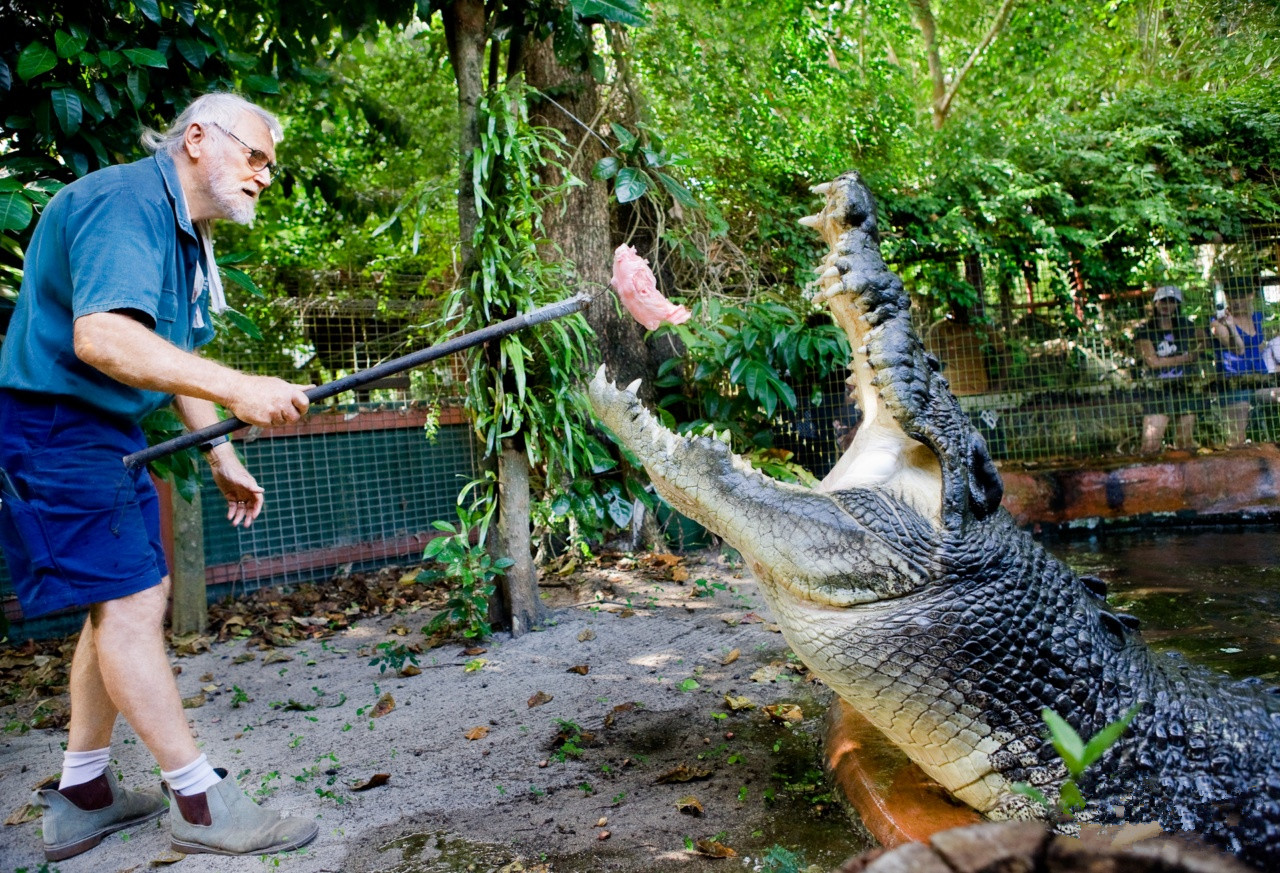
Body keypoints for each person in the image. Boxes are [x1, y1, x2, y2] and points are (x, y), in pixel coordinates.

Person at [0, 93, 318, 860]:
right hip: (52, 427)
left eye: (270, 165)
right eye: (256, 156)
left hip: (102, 429)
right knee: (133, 600)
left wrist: (219, 448)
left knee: (125, 599)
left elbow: (161, 351)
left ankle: (84, 794)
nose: (264, 175)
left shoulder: (184, 233)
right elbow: (104, 336)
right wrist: (240, 386)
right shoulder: (126, 201)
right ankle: (200, 800)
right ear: (198, 138)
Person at [1135, 284, 1206, 454]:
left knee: (1185, 442)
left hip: (1184, 388)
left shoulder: (1185, 325)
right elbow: (1153, 362)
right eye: (1163, 302)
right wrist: (1186, 358)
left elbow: (1207, 337)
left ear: (1177, 305)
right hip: (1157, 390)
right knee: (1150, 445)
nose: (1167, 306)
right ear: (1156, 303)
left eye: (1172, 302)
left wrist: (1197, 353)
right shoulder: (1145, 330)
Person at [1210, 277, 1268, 447]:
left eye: (1241, 296)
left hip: (1260, 378)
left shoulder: (1257, 317)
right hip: (1235, 382)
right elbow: (1238, 349)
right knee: (1237, 438)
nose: (1237, 301)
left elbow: (1260, 345)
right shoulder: (1217, 322)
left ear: (1250, 296)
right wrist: (1231, 327)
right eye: (1233, 296)